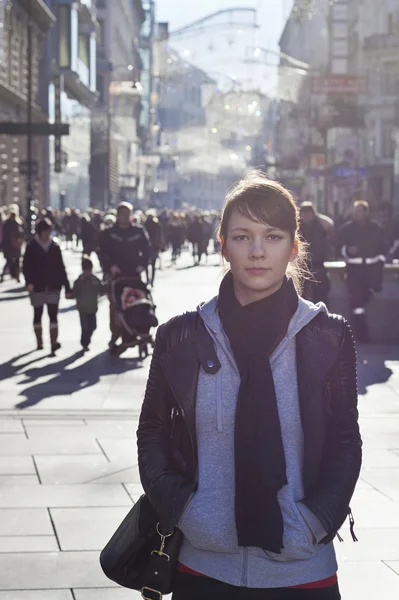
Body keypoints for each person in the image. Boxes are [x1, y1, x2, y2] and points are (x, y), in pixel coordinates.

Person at [137, 172, 362, 600]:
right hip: (203, 567)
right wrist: (187, 511)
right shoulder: (180, 336)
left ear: (294, 247)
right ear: (222, 244)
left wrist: (314, 522)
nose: (257, 251)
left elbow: (345, 442)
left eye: (273, 236)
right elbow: (152, 434)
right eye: (242, 236)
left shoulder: (328, 336)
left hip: (302, 571)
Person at [98, 202, 151, 349]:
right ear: (117, 215)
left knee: (135, 300)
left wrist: (142, 264)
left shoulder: (138, 231)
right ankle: (116, 333)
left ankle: (138, 329)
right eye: (121, 214)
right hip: (117, 275)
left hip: (134, 274)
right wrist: (109, 266)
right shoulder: (109, 233)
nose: (124, 217)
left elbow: (147, 250)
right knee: (115, 305)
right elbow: (103, 252)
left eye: (127, 214)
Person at [23, 219, 72, 355]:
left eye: (50, 231)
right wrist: (29, 282)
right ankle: (39, 341)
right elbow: (26, 266)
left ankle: (53, 343)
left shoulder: (54, 247)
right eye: (46, 231)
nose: (48, 233)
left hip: (53, 285)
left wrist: (67, 286)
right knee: (37, 314)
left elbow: (61, 267)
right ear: (40, 232)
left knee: (53, 315)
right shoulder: (32, 246)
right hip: (37, 286)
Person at [338, 200, 385, 343]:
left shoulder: (376, 227)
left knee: (364, 298)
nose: (357, 213)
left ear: (366, 212)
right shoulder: (347, 228)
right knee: (357, 301)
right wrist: (348, 251)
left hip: (372, 269)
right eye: (355, 210)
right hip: (354, 269)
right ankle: (361, 333)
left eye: (360, 210)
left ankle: (357, 331)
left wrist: (380, 262)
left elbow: (383, 246)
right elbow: (338, 246)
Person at [299, 202, 331, 305]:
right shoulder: (298, 227)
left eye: (309, 213)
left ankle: (322, 319)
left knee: (322, 296)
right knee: (302, 297)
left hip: (318, 265)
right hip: (302, 267)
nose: (307, 215)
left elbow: (330, 224)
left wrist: (317, 216)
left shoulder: (320, 225)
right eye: (304, 213)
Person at [72, 256, 103, 351]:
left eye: (89, 270)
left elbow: (101, 290)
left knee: (93, 326)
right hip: (83, 308)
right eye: (86, 270)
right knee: (85, 327)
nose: (87, 272)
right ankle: (84, 343)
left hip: (92, 308)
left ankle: (87, 339)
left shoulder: (95, 280)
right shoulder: (79, 281)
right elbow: (74, 292)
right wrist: (71, 294)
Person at [1, 210, 24, 283]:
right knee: (9, 261)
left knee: (15, 262)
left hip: (16, 245)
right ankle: (10, 276)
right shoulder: (8, 223)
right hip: (10, 246)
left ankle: (17, 276)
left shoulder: (17, 223)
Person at [145, 210, 163, 286]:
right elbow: (159, 236)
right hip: (154, 246)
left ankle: (147, 278)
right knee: (153, 264)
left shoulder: (145, 224)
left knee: (146, 264)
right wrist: (160, 245)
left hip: (146, 247)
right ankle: (152, 280)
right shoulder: (156, 224)